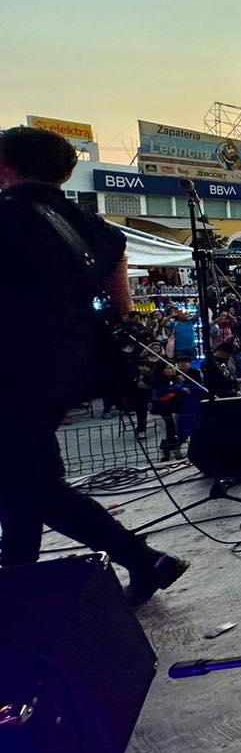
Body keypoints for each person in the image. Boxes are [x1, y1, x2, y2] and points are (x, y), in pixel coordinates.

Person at [0, 126, 188, 604]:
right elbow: (121, 297)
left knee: (33, 485)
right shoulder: (93, 228)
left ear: (7, 165)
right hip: (66, 369)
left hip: (14, 373)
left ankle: (143, 559)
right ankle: (19, 574)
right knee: (22, 479)